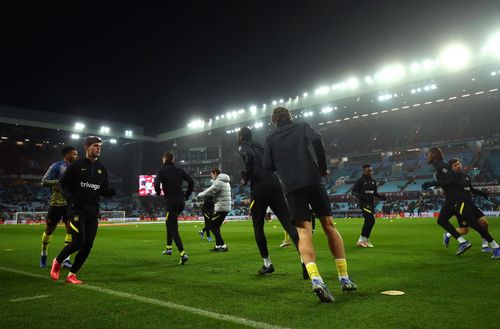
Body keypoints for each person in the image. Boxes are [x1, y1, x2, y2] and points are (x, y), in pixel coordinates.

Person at [264, 107, 356, 303]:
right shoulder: (302, 126)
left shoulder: (270, 138)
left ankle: (316, 279)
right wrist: (322, 167)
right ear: (290, 117)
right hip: (313, 179)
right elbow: (316, 140)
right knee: (329, 226)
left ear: (274, 122)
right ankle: (344, 278)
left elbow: (268, 166)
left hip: (291, 186)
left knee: (304, 233)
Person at [237, 126, 304, 276]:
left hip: (260, 188)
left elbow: (250, 157)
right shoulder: (261, 146)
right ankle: (305, 260)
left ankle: (267, 263)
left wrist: (245, 178)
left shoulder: (243, 146)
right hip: (275, 184)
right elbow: (273, 162)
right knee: (288, 223)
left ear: (241, 137)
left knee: (258, 225)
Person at [50, 136, 116, 284]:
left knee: (88, 245)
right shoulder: (76, 165)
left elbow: (103, 190)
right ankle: (57, 261)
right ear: (87, 147)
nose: (98, 148)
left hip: (93, 211)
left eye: (100, 146)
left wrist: (110, 192)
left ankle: (72, 274)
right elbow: (63, 184)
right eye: (95, 145)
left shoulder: (102, 169)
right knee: (79, 242)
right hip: (77, 209)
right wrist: (70, 199)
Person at [422, 147, 500, 259]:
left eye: (428, 154)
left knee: (473, 224)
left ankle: (495, 246)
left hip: (458, 198)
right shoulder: (438, 167)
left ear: (434, 155)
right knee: (441, 220)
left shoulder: (441, 166)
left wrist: (432, 183)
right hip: (452, 200)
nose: (427, 157)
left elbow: (450, 180)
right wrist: (434, 184)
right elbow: (450, 180)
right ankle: (462, 242)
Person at [443, 158, 496, 254]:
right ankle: (448, 234)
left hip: (470, 203)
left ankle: (485, 246)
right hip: (460, 206)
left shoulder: (466, 177)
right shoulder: (451, 180)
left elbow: (470, 189)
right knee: (464, 231)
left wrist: (482, 194)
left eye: (459, 164)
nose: (458, 166)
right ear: (451, 169)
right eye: (455, 165)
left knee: (484, 223)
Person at [39, 146, 78, 268]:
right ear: (67, 154)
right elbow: (44, 182)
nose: (76, 156)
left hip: (70, 203)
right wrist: (59, 181)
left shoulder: (77, 168)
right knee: (49, 229)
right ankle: (44, 254)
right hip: (56, 203)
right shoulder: (57, 166)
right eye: (74, 154)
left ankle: (66, 259)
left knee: (70, 230)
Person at [154, 151, 194, 265]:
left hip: (170, 202)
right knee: (169, 223)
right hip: (181, 202)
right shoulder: (179, 170)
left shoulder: (161, 170)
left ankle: (183, 254)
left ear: (164, 159)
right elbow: (191, 182)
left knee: (173, 228)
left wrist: (158, 193)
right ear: (173, 159)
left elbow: (156, 184)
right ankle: (168, 248)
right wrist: (186, 195)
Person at [352, 164, 387, 248]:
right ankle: (361, 240)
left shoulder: (373, 181)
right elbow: (353, 192)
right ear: (364, 171)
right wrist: (361, 197)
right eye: (369, 171)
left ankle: (366, 240)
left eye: (371, 170)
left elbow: (374, 193)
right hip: (364, 204)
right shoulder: (360, 181)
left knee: (368, 221)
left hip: (371, 204)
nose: (371, 172)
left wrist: (382, 197)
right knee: (371, 220)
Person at [197, 168, 231, 252]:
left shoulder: (219, 182)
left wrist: (200, 195)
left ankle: (223, 245)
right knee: (216, 227)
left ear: (215, 173)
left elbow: (210, 190)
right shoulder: (225, 181)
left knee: (212, 226)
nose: (211, 176)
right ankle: (218, 246)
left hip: (221, 208)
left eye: (211, 174)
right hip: (224, 207)